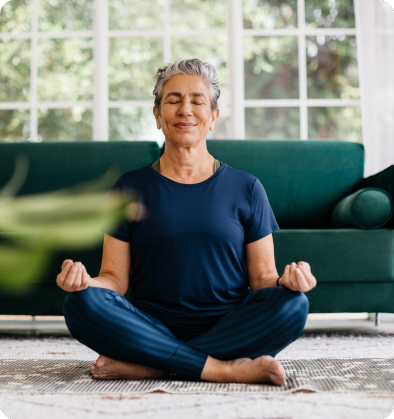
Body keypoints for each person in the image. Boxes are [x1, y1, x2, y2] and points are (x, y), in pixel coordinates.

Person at [57, 58, 317, 385]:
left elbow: (263, 278)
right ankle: (221, 369)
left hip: (228, 325)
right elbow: (114, 279)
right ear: (157, 115)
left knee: (294, 305)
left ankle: (154, 364)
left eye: (197, 101)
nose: (185, 110)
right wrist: (85, 283)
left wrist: (287, 282)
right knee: (80, 304)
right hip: (149, 325)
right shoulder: (129, 187)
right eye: (173, 100)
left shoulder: (247, 187)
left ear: (213, 117)